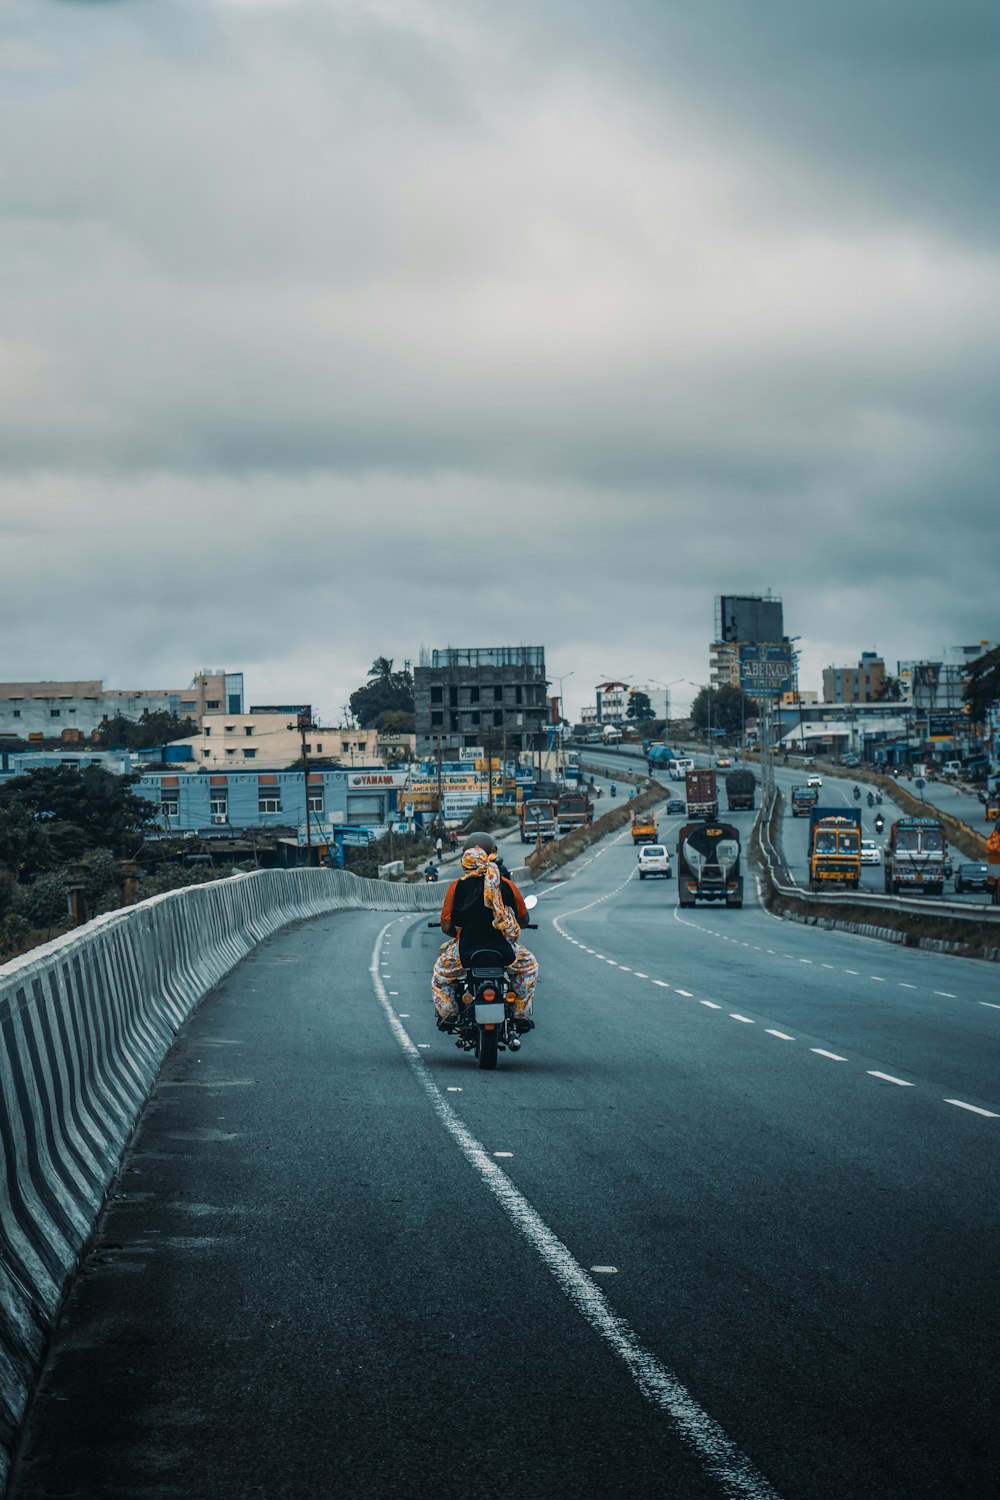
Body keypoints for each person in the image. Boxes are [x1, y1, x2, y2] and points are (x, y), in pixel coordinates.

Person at [431, 833, 538, 1034]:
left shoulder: (456, 887)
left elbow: (446, 926)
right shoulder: (505, 884)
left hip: (466, 952)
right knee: (529, 967)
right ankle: (521, 1013)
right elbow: (523, 919)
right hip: (503, 951)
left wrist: (458, 934)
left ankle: (450, 1012)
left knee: (440, 977)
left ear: (464, 862)